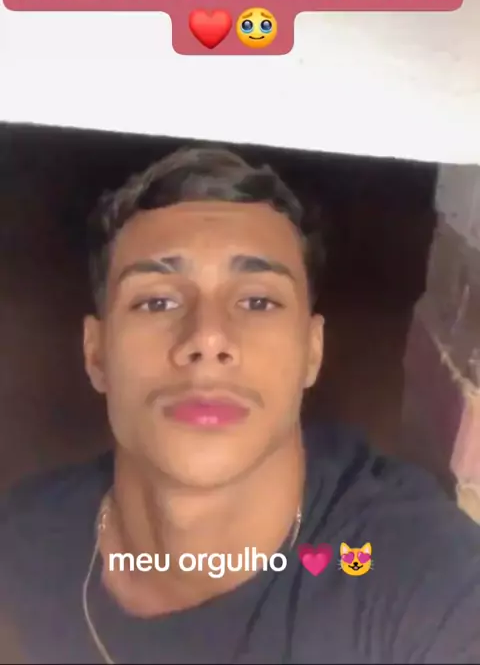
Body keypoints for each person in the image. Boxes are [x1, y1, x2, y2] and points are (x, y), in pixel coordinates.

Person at [1, 146, 480, 665]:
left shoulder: (423, 577)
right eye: (157, 301)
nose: (208, 337)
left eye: (257, 301)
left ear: (311, 352)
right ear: (96, 355)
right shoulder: (21, 542)